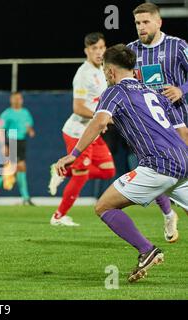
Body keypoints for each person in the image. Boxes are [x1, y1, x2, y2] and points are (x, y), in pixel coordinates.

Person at [55, 44, 188, 282]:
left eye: (106, 69)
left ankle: (147, 250)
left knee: (104, 206)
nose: (105, 74)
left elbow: (98, 122)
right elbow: (183, 133)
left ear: (111, 72)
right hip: (183, 160)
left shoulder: (115, 91)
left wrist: (73, 154)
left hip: (158, 163)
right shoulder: (155, 93)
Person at [127, 2, 188, 243]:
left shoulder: (177, 46)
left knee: (184, 177)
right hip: (148, 128)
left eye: (145, 22)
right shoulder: (130, 51)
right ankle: (167, 213)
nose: (141, 27)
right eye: (137, 23)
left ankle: (171, 212)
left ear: (158, 22)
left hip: (180, 122)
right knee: (154, 172)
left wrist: (181, 89)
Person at [48, 32, 116, 226]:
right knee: (81, 175)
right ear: (87, 51)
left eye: (102, 47)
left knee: (108, 171)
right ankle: (58, 217)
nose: (99, 52)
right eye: (94, 48)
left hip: (93, 132)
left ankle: (61, 171)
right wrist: (103, 119)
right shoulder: (83, 74)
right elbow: (78, 108)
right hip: (77, 131)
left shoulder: (104, 71)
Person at [0, 92, 36, 205]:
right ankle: (26, 198)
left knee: (18, 168)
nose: (17, 100)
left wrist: (30, 131)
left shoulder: (25, 112)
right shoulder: (7, 114)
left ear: (22, 100)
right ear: (11, 100)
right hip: (12, 139)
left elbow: (28, 125)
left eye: (19, 98)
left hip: (22, 141)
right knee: (18, 167)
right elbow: (0, 129)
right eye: (15, 98)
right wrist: (3, 145)